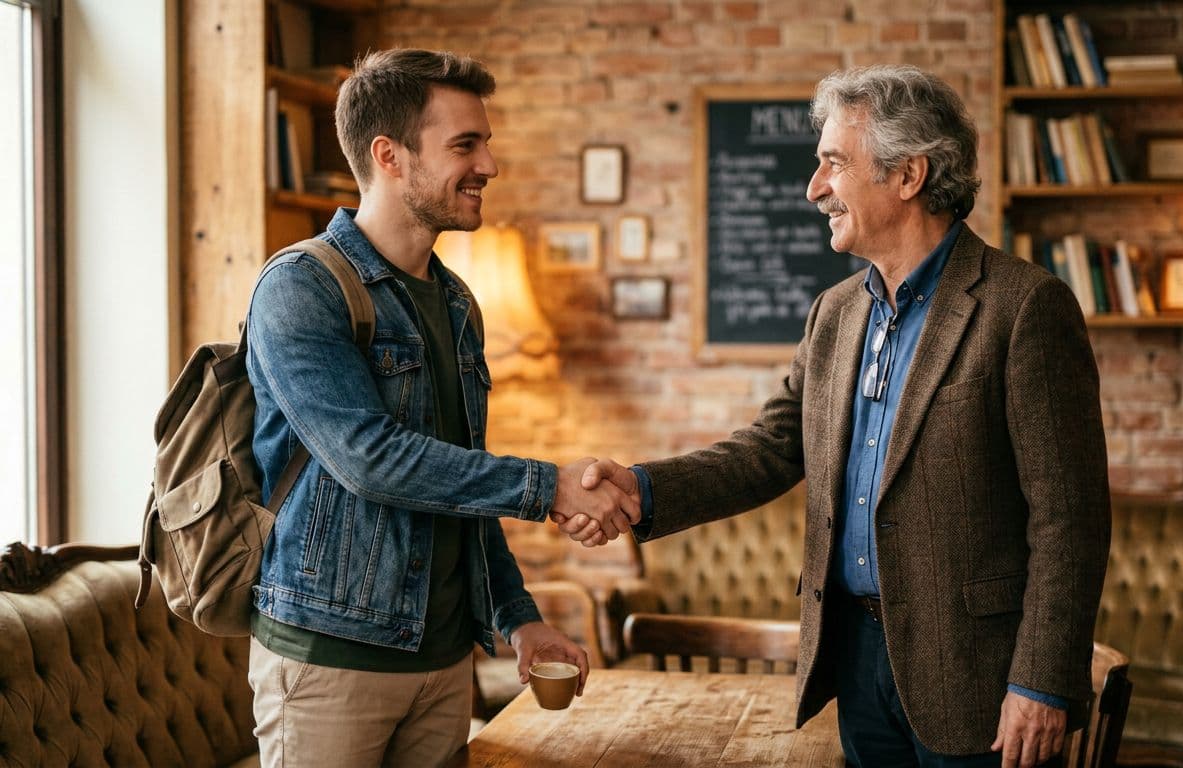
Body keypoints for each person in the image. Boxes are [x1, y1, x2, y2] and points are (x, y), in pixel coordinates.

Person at [561, 65, 1111, 768]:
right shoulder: (835, 312)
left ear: (907, 174)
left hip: (978, 677)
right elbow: (772, 447)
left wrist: (1041, 682)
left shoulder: (1025, 307)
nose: (814, 189)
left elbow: (1071, 517)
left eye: (833, 165)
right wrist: (642, 490)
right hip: (853, 659)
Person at [245, 48, 638, 767]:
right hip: (334, 662)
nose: (490, 164)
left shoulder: (457, 302)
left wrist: (520, 622)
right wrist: (548, 485)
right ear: (390, 156)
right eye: (466, 144)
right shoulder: (301, 288)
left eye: (485, 142)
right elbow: (371, 460)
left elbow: (456, 484)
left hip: (444, 660)